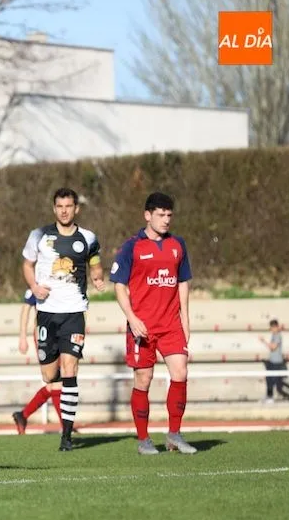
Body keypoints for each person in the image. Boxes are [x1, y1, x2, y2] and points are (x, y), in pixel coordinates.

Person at [110, 192, 196, 455]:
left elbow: (183, 282)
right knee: (144, 378)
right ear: (148, 215)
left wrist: (185, 318)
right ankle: (144, 439)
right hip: (143, 327)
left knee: (180, 372)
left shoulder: (177, 245)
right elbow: (119, 286)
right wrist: (132, 318)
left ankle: (174, 435)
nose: (166, 219)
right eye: (161, 214)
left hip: (171, 324)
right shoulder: (131, 247)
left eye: (169, 215)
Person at [22, 188, 104, 451]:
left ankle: (66, 436)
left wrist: (98, 277)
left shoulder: (88, 237)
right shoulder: (39, 235)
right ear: (54, 208)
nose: (64, 210)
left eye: (69, 206)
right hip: (46, 313)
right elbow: (26, 265)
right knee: (49, 375)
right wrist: (34, 287)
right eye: (60, 206)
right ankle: (60, 378)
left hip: (74, 313)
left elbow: (95, 262)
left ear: (76, 208)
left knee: (70, 370)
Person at [12, 289, 64, 434]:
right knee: (56, 382)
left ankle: (22, 415)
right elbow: (26, 309)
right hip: (44, 336)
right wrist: (23, 337)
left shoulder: (61, 281)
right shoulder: (37, 285)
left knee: (54, 385)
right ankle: (66, 428)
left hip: (62, 333)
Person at [258, 319, 289, 402]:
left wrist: (264, 341)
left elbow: (273, 347)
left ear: (276, 327)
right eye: (271, 327)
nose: (272, 329)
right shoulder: (274, 335)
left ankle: (270, 397)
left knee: (276, 383)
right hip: (273, 362)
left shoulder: (277, 335)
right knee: (270, 380)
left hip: (276, 363)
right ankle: (269, 396)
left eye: (273, 327)